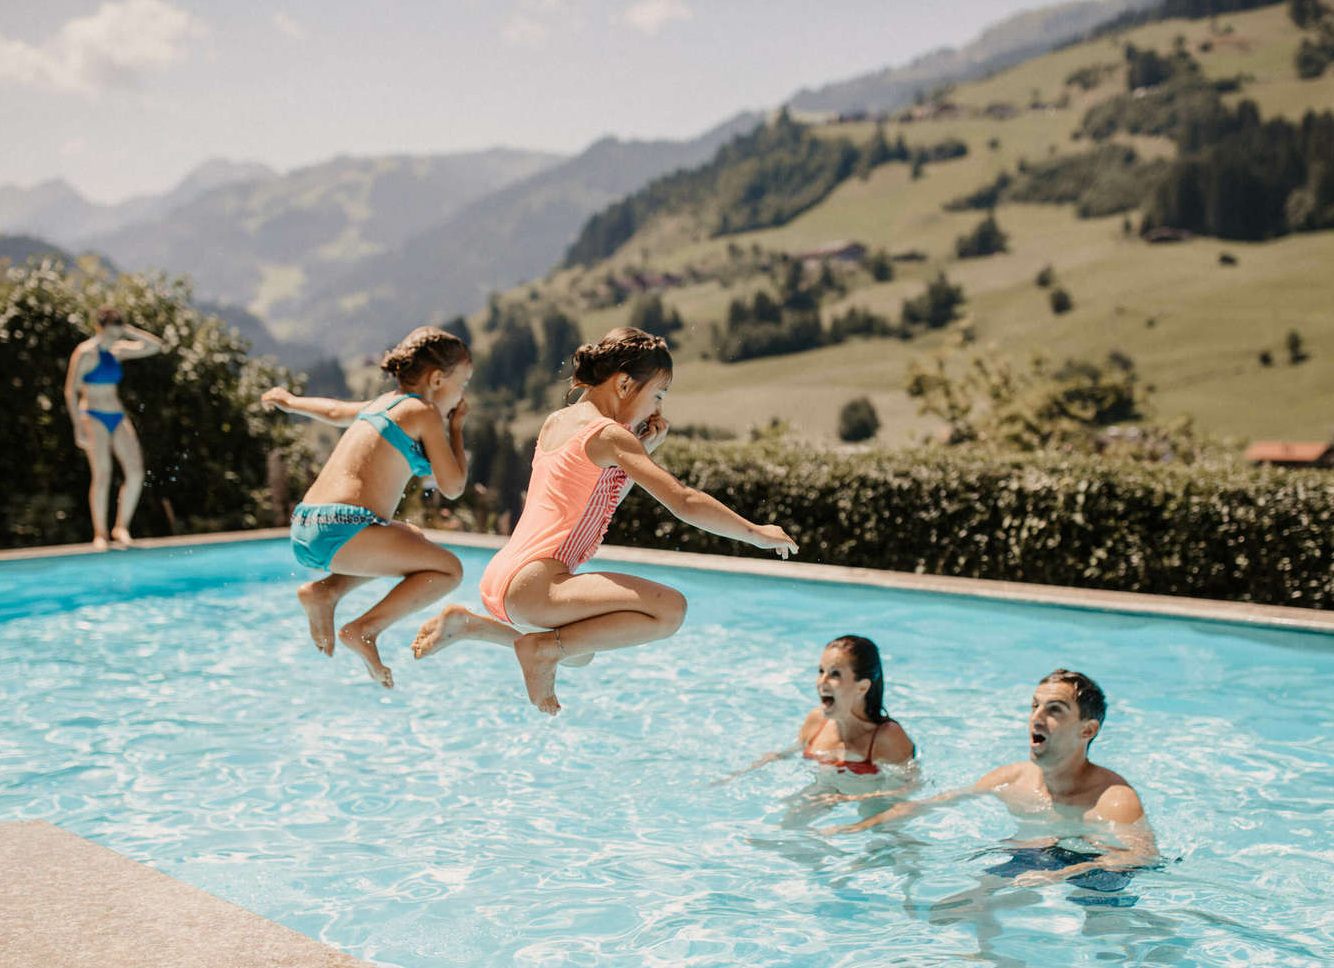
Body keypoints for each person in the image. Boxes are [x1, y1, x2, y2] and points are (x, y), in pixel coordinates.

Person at [412, 326, 798, 715]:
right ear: (625, 383)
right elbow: (682, 500)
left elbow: (596, 498)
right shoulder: (610, 435)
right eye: (657, 395)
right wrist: (755, 533)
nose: (657, 410)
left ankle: (470, 625)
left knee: (581, 650)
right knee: (669, 610)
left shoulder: (558, 422)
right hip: (535, 583)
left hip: (506, 579)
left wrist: (642, 450)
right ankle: (540, 649)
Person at [260, 326, 471, 688]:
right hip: (345, 529)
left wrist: (290, 401)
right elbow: (453, 486)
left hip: (309, 523)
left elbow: (333, 409)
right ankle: (365, 629)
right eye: (462, 385)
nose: (461, 397)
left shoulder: (381, 404)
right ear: (437, 379)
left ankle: (326, 591)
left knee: (414, 538)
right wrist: (456, 429)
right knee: (449, 571)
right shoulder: (423, 412)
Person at [819, 669, 1155, 887]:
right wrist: (860, 825)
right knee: (962, 903)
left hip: (1095, 871)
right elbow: (935, 803)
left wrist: (1061, 874)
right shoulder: (1012, 779)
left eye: (1054, 710)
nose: (1036, 718)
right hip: (1035, 859)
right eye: (1034, 706)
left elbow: (1141, 858)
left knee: (1104, 927)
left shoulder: (1113, 799)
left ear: (1088, 729)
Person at [719, 636, 915, 784]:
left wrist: (849, 801)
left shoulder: (887, 736)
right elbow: (786, 753)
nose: (821, 682)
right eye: (821, 671)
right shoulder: (816, 720)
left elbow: (908, 789)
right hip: (823, 793)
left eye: (835, 674)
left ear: (862, 687)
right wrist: (734, 777)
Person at [64, 306, 168, 550]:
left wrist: (128, 331)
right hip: (92, 414)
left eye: (116, 333)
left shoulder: (117, 349)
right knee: (102, 473)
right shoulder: (85, 352)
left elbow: (156, 346)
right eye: (109, 333)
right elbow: (70, 391)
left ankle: (121, 527)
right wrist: (77, 426)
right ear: (99, 328)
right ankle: (100, 533)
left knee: (136, 472)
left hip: (117, 414)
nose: (113, 338)